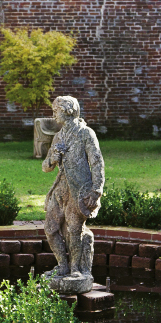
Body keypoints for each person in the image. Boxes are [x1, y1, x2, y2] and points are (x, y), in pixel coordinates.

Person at [41, 95, 104, 294]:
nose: (53, 114)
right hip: (60, 189)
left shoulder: (86, 133)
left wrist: (97, 190)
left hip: (80, 190)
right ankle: (63, 266)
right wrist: (52, 158)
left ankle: (77, 270)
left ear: (68, 110)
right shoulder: (58, 136)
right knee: (50, 228)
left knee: (75, 230)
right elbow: (45, 167)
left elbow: (97, 162)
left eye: (55, 110)